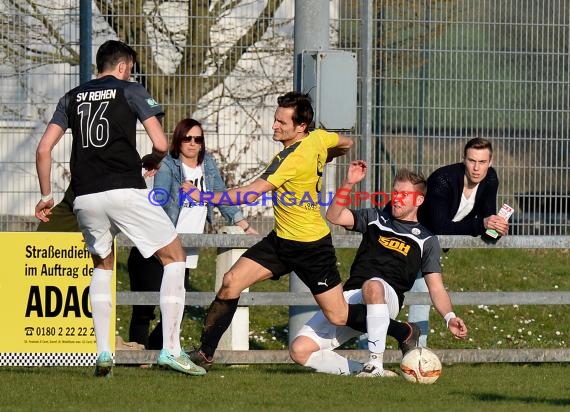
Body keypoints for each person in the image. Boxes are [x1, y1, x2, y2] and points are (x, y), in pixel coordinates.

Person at [34, 40, 205, 377]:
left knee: (103, 265)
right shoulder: (130, 89)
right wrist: (154, 160)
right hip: (124, 189)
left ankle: (103, 354)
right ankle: (171, 349)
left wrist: (46, 196)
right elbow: (159, 142)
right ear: (125, 65)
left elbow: (43, 149)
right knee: (174, 257)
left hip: (85, 196)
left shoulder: (71, 96)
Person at [185, 91, 355, 370]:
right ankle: (204, 354)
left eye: (281, 123)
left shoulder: (289, 159)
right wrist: (326, 155)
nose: (274, 126)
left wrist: (201, 196)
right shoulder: (318, 138)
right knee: (231, 281)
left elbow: (250, 195)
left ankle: (400, 331)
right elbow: (347, 142)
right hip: (281, 241)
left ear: (300, 126)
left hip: (312, 246)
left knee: (338, 316)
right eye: (275, 120)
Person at [289, 161, 468, 377]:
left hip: (385, 297)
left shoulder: (427, 240)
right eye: (395, 192)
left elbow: (437, 288)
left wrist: (450, 317)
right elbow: (334, 216)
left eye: (404, 194)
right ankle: (367, 373)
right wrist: (349, 183)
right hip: (350, 295)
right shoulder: (375, 218)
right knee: (299, 350)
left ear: (419, 200)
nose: (397, 198)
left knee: (373, 285)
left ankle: (375, 363)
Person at [128, 118, 256, 349]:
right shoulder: (168, 163)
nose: (192, 143)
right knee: (145, 307)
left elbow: (221, 196)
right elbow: (160, 197)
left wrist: (243, 224)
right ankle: (136, 357)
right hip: (160, 242)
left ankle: (156, 351)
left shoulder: (207, 164)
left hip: (187, 248)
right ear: (178, 140)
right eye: (187, 138)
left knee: (180, 304)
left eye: (198, 139)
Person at [409, 137, 509, 346]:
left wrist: (497, 228)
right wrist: (482, 223)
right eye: (472, 161)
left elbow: (485, 224)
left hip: (428, 247)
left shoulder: (490, 179)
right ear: (463, 159)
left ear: (490, 163)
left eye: (482, 162)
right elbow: (440, 227)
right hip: (406, 235)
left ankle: (417, 354)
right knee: (381, 292)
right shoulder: (443, 179)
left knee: (422, 294)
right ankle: (367, 350)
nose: (476, 168)